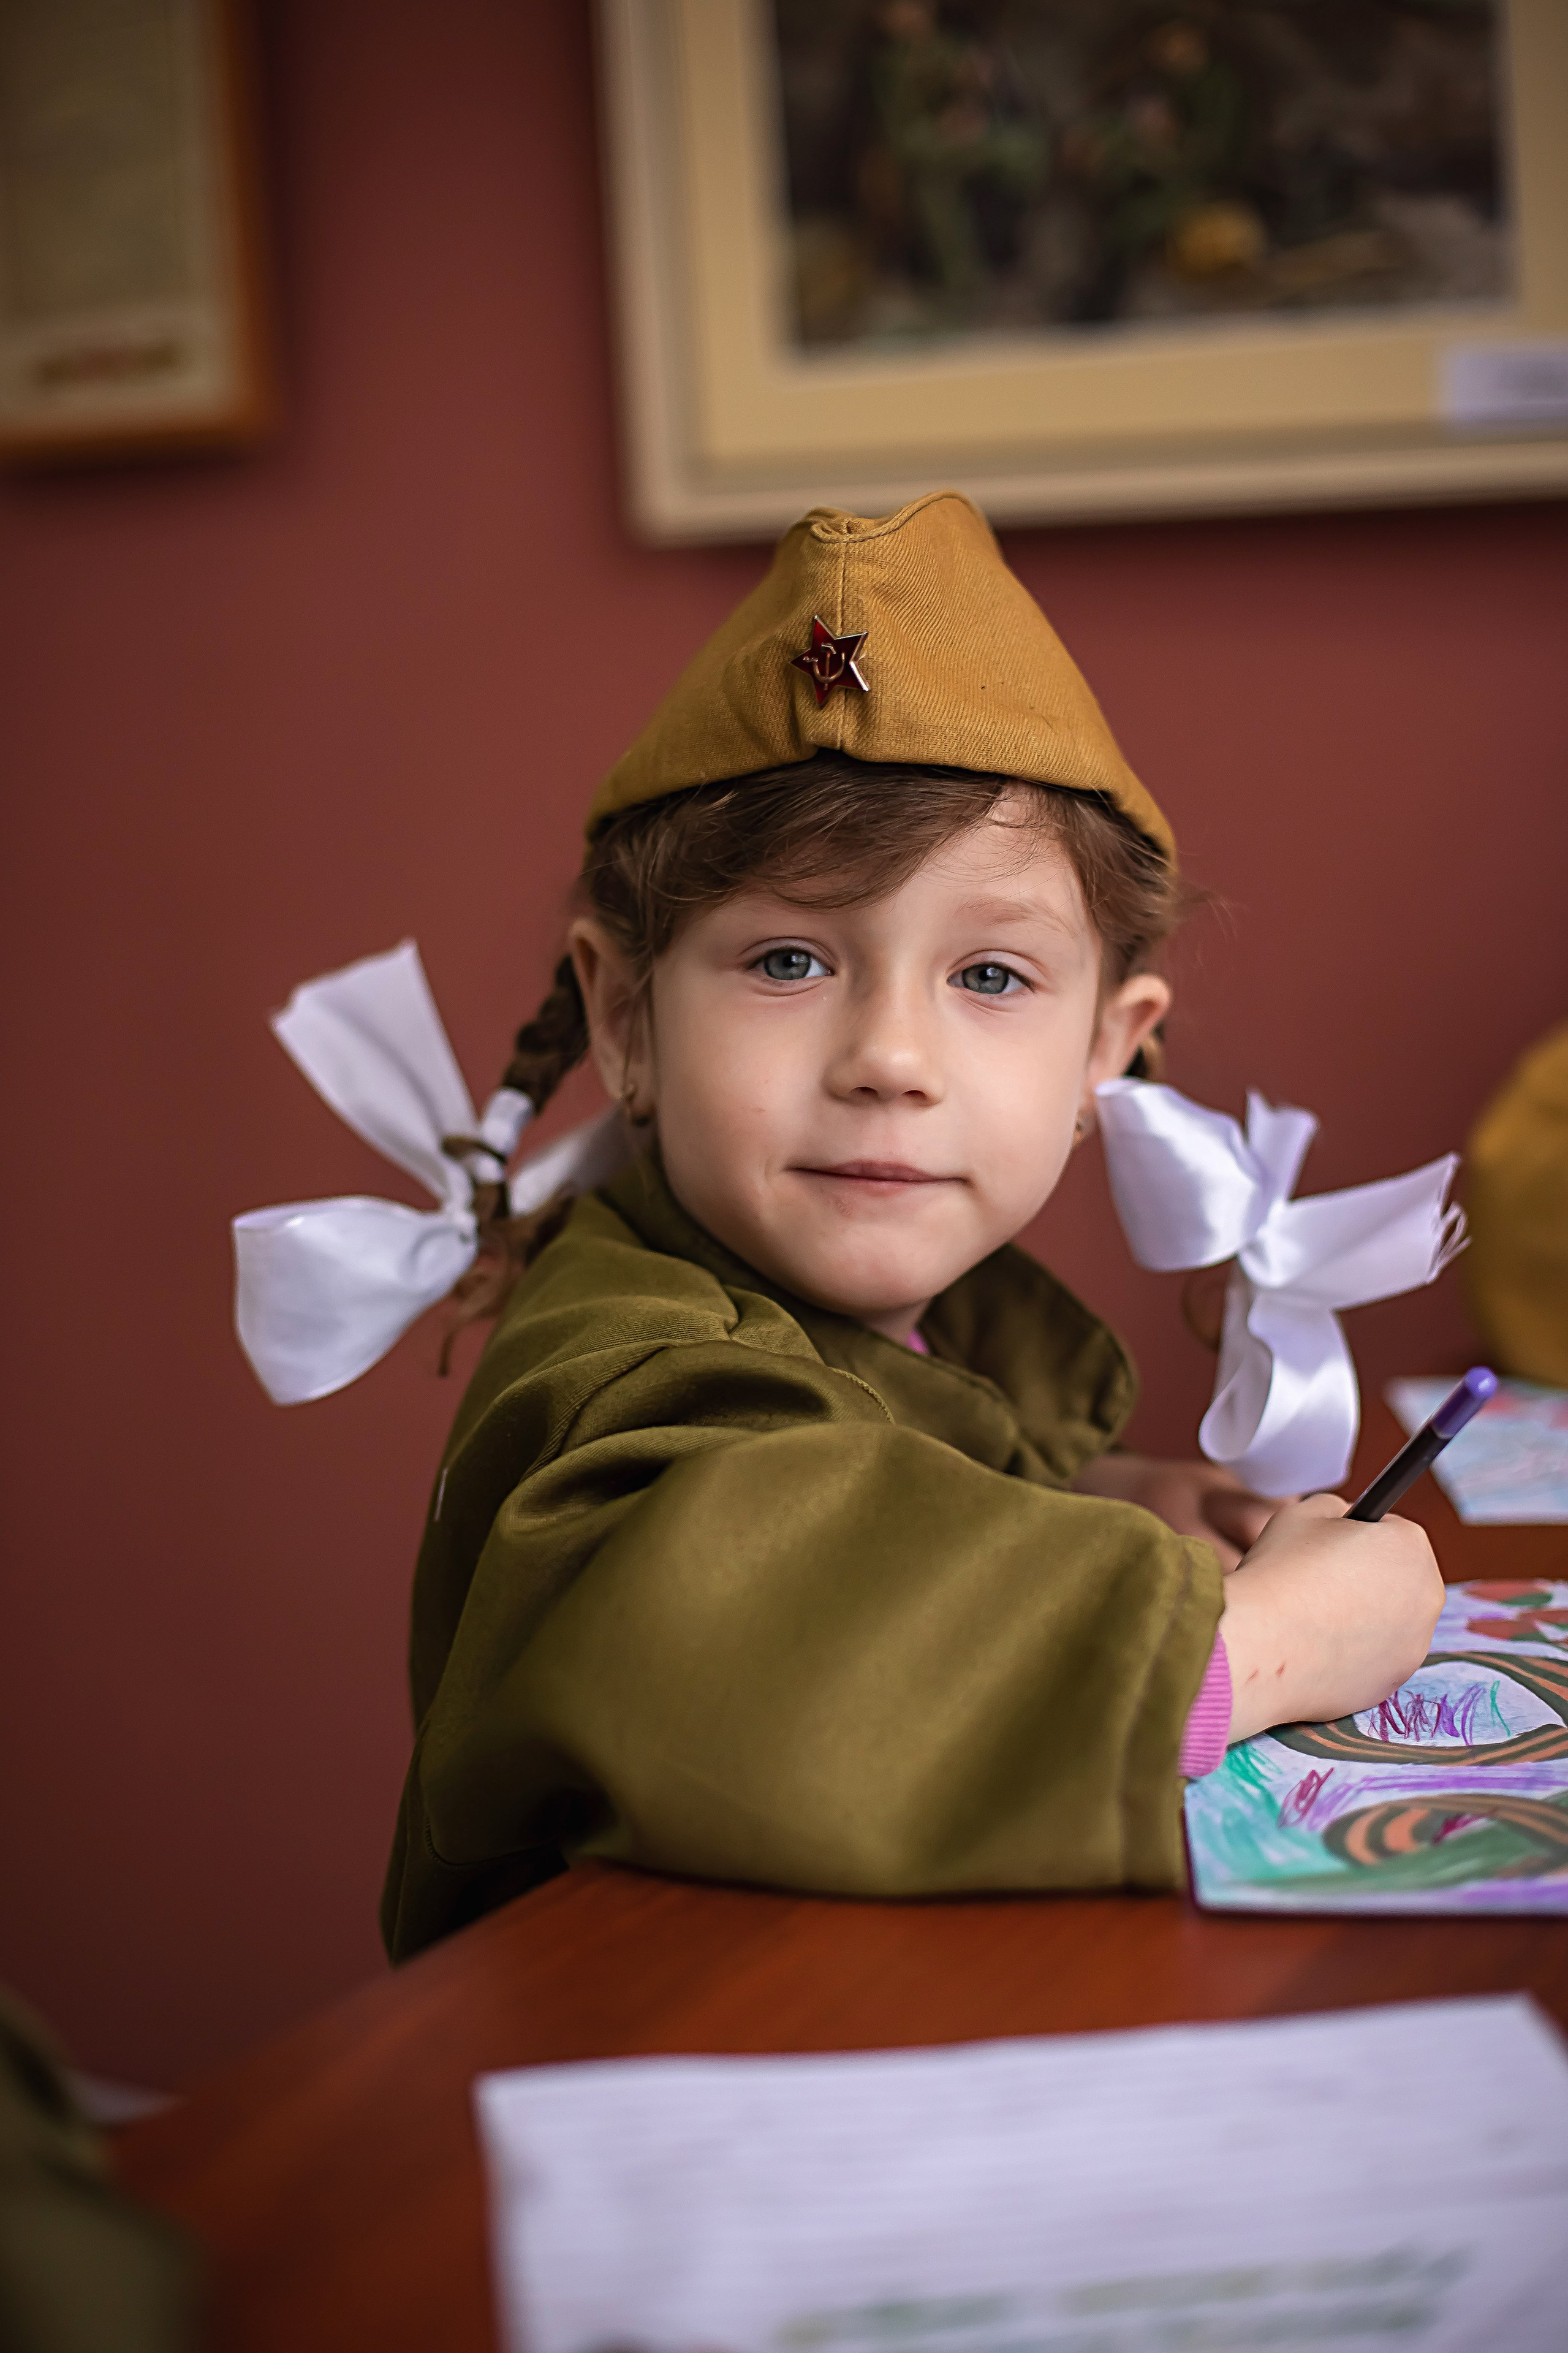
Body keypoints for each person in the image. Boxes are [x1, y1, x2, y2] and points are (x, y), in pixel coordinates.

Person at [380, 491, 1442, 1961]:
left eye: (990, 977)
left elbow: (872, 1479)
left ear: (1104, 1054)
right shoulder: (622, 1363)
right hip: (644, 2062)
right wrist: (1254, 1649)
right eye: (790, 956)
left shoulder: (919, 1321)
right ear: (624, 1015)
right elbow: (769, 1651)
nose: (890, 1054)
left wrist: (1089, 1495)